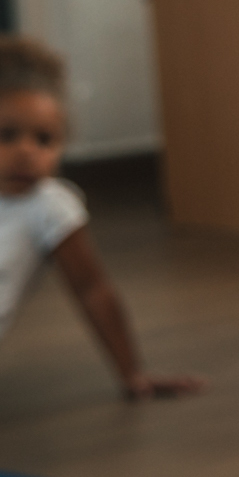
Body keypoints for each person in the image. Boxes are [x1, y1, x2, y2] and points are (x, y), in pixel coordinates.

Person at [0, 35, 199, 401]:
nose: (26, 151)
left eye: (44, 140)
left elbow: (92, 290)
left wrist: (132, 374)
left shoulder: (50, 207)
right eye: (7, 135)